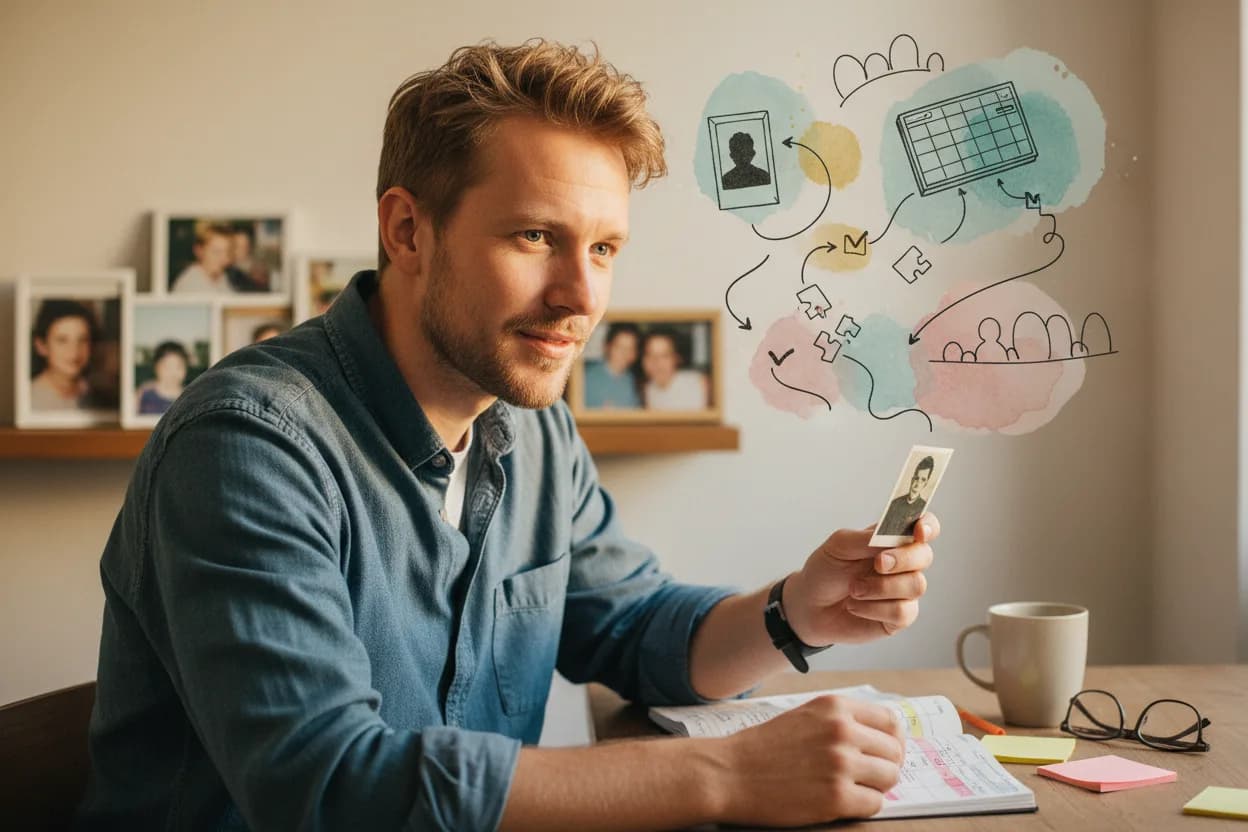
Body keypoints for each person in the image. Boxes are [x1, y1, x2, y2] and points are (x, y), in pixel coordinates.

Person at [81, 40, 940, 831]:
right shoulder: (246, 445)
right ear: (407, 230)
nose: (581, 297)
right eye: (537, 236)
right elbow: (328, 784)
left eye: (604, 249)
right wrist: (724, 775)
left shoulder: (531, 426)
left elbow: (634, 628)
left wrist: (796, 611)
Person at [29, 299, 95, 410]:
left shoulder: (96, 397)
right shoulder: (30, 400)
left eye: (82, 340)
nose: (74, 351)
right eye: (62, 340)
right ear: (41, 346)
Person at [641, 328, 709, 410]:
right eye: (649, 355)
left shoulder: (700, 383)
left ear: (676, 358)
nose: (656, 362)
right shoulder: (648, 390)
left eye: (664, 356)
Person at [582, 322, 641, 408]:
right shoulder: (586, 377)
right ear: (607, 347)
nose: (624, 353)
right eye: (619, 347)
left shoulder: (635, 383)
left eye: (630, 349)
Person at [878, 456, 936, 537]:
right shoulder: (895, 504)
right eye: (916, 478)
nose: (917, 484)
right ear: (912, 479)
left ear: (925, 484)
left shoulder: (922, 507)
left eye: (922, 480)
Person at [171, 223, 236, 295]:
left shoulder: (221, 277)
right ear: (199, 251)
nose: (224, 258)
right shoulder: (190, 283)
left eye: (227, 252)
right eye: (216, 252)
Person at [135, 340, 190, 415]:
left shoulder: (190, 399)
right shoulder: (143, 395)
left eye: (178, 366)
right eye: (167, 367)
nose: (173, 373)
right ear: (156, 368)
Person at [225, 225, 273, 292]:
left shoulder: (259, 271)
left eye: (244, 246)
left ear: (250, 248)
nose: (239, 251)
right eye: (236, 245)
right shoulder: (224, 267)